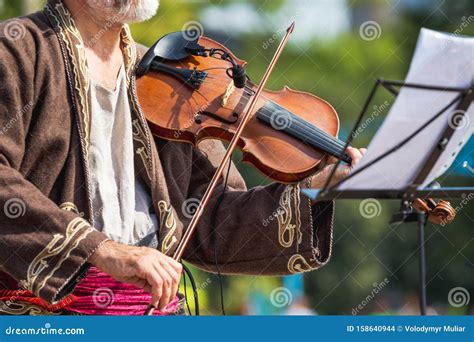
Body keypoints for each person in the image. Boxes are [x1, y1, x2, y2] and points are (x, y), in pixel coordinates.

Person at [0, 0, 364, 315]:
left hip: (155, 312)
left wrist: (318, 185)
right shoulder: (16, 50)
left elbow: (212, 217)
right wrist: (100, 249)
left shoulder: (173, 75)